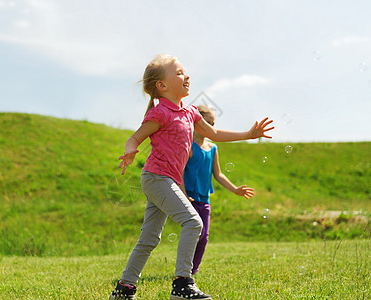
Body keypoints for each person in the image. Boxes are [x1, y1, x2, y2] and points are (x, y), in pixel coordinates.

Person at [110, 54, 274, 300]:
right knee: (193, 222)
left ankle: (124, 289)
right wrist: (129, 151)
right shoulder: (160, 113)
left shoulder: (190, 112)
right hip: (156, 178)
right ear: (162, 86)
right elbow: (135, 137)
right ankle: (182, 283)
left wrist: (248, 134)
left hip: (166, 180)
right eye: (178, 73)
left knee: (149, 239)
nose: (186, 76)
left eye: (184, 72)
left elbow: (214, 134)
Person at [181, 105, 255, 277]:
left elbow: (218, 174)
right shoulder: (187, 145)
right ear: (195, 121)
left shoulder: (213, 148)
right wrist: (183, 194)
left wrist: (235, 189)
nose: (211, 127)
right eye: (207, 122)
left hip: (204, 198)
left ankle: (193, 270)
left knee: (204, 236)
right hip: (188, 198)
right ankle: (184, 270)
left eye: (213, 123)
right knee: (193, 234)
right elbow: (180, 172)